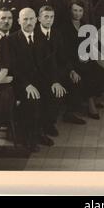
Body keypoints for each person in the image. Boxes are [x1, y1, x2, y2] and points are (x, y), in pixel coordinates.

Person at [8, 8, 65, 151]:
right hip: (21, 83)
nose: (28, 22)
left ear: (36, 20)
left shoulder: (42, 38)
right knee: (32, 100)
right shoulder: (12, 40)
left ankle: (41, 130)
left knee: (55, 94)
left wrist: (55, 81)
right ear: (19, 21)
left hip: (41, 81)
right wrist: (27, 85)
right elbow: (14, 68)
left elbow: (50, 62)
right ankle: (29, 137)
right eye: (25, 19)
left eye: (31, 19)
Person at [62, 2, 102, 123]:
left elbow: (88, 46)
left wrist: (88, 56)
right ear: (70, 11)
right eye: (75, 10)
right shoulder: (64, 27)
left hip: (81, 59)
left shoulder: (85, 26)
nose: (77, 13)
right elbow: (63, 51)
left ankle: (91, 99)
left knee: (94, 67)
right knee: (85, 72)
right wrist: (72, 68)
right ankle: (89, 106)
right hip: (68, 61)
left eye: (80, 11)